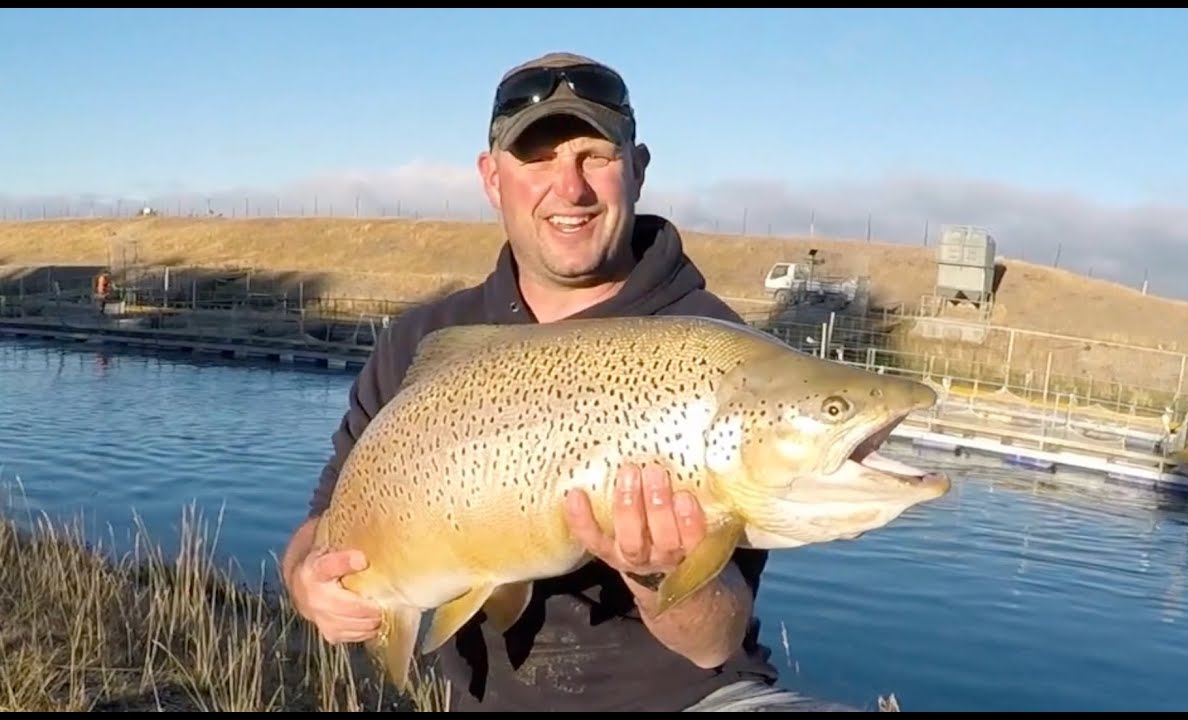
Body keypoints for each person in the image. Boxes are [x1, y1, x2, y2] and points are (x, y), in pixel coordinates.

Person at [281, 51, 863, 713]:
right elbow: (321, 529)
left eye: (595, 156)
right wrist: (309, 581)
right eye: (538, 159)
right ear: (491, 179)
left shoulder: (712, 350)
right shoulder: (419, 343)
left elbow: (715, 641)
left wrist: (660, 575)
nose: (572, 188)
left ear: (637, 170)